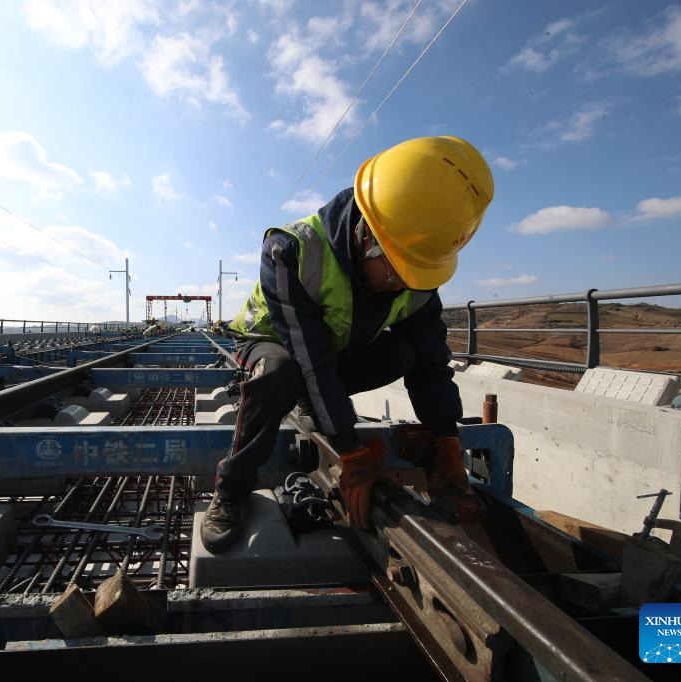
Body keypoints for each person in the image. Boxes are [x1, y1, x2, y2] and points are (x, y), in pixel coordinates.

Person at [200, 136, 494, 553]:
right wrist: (352, 453)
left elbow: (431, 364)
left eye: (417, 274)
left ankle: (317, 406)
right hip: (272, 342)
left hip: (333, 351)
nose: (404, 285)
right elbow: (311, 361)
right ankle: (230, 490)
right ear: (366, 237)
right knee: (281, 373)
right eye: (397, 272)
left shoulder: (416, 276)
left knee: (402, 353)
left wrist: (446, 438)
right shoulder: (293, 250)